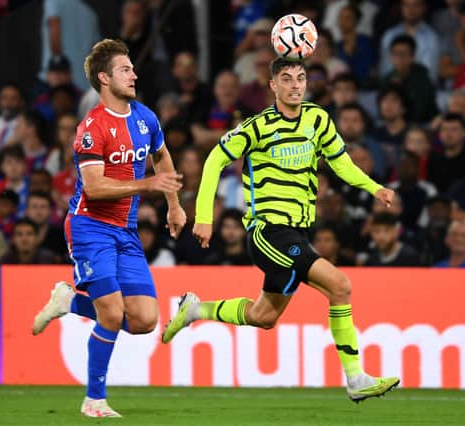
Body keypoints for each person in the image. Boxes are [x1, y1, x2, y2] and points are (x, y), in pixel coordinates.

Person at [161, 57, 399, 402]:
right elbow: (214, 159)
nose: (295, 85)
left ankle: (195, 309)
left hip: (299, 232)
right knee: (340, 286)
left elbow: (340, 161)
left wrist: (373, 187)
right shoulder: (257, 127)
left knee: (264, 316)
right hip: (268, 231)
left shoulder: (318, 119)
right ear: (272, 85)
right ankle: (355, 379)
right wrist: (204, 217)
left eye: (300, 78)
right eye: (286, 79)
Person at [30, 39, 186, 418]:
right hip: (90, 227)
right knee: (112, 314)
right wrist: (147, 185)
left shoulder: (145, 118)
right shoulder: (91, 129)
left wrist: (175, 205)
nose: (134, 74)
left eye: (132, 68)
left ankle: (69, 301)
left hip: (126, 231)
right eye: (125, 69)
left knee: (146, 319)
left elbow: (162, 156)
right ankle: (94, 400)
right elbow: (96, 188)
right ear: (104, 78)